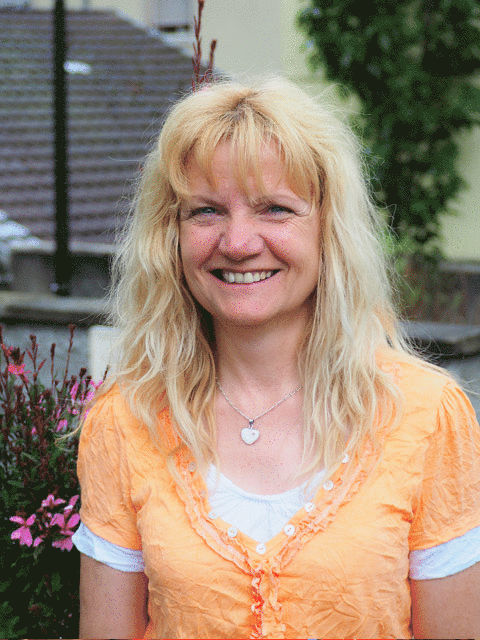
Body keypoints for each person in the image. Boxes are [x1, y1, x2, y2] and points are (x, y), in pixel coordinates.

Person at [73, 77, 480, 639]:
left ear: (328, 229)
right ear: (170, 236)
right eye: (206, 211)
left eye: (275, 209)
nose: (238, 243)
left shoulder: (427, 416)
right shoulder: (126, 419)